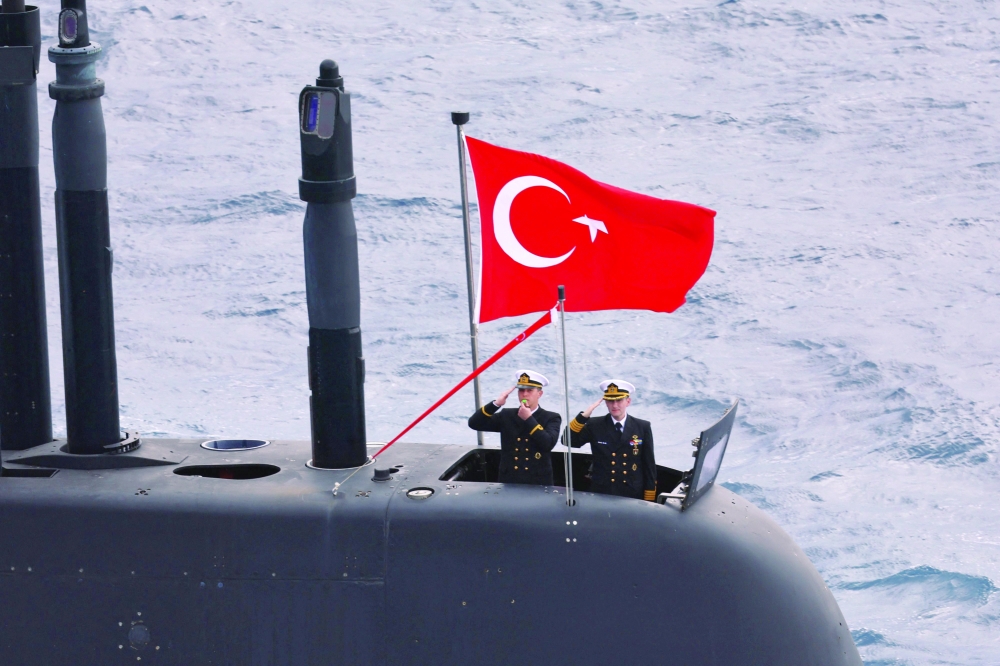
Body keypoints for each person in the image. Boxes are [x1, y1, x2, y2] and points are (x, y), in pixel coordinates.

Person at [468, 370, 562, 485]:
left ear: (539, 394)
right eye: (521, 390)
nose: (525, 394)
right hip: (509, 480)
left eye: (530, 390)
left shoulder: (551, 417)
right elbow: (475, 423)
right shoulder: (507, 415)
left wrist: (528, 419)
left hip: (538, 482)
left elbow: (548, 443)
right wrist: (496, 404)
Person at [568, 380, 657, 501]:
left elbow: (649, 464)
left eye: (619, 400)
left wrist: (649, 498)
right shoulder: (595, 425)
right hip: (602, 491)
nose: (614, 405)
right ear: (605, 403)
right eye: (610, 401)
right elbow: (568, 441)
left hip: (632, 492)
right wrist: (583, 416)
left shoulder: (642, 426)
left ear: (628, 401)